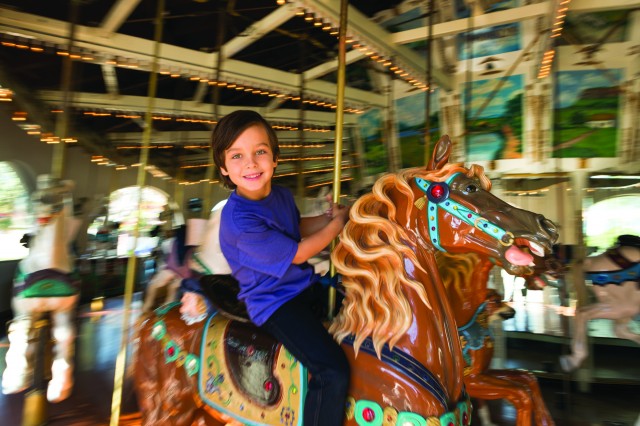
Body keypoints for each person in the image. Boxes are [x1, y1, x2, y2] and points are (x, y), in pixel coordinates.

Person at [211, 109, 351, 426]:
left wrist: (328, 219)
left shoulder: (280, 195)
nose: (251, 163)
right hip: (275, 302)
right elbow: (298, 253)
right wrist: (338, 225)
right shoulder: (239, 220)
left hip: (304, 286)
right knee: (332, 370)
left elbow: (295, 227)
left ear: (275, 157)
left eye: (260, 151)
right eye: (237, 156)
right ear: (223, 167)